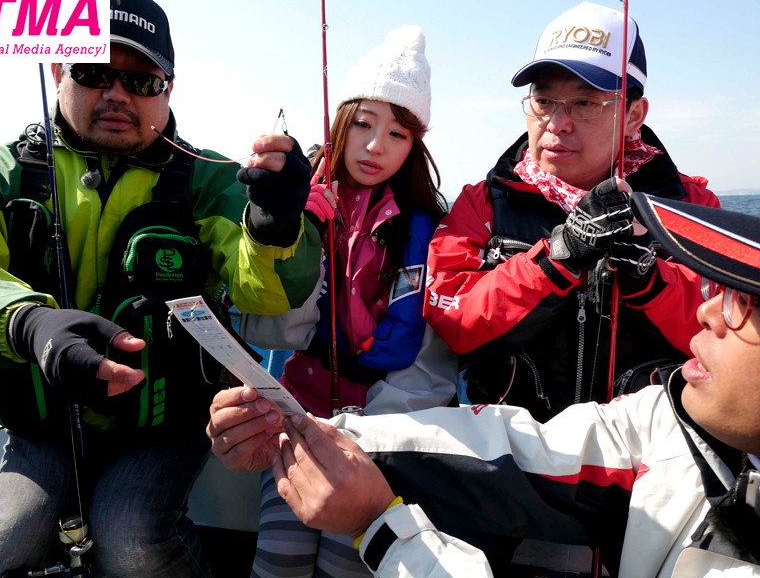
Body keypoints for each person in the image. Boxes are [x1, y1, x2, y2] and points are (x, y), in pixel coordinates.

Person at [0, 0, 320, 577]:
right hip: (46, 422)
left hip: (165, 422)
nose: (118, 93)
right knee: (6, 543)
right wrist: (26, 324)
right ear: (57, 70)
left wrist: (276, 228)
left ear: (168, 89)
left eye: (143, 80)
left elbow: (267, 291)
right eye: (95, 72)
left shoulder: (211, 181)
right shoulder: (0, 174)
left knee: (132, 540)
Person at [208, 192, 760, 576]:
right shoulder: (676, 429)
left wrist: (379, 524)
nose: (708, 310)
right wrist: (308, 428)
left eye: (744, 299)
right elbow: (514, 439)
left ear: (633, 111)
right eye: (545, 99)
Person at [424, 1, 720, 422]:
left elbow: (728, 332)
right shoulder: (482, 203)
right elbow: (452, 322)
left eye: (585, 103)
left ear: (634, 114)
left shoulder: (692, 208)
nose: (557, 122)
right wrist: (555, 258)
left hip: (648, 457)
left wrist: (651, 280)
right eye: (544, 101)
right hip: (514, 454)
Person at [239, 24, 457, 577]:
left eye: (399, 134)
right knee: (278, 559)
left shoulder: (430, 235)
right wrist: (279, 235)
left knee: (347, 563)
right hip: (294, 422)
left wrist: (362, 440)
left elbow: (429, 370)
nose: (376, 146)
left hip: (378, 442)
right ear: (340, 123)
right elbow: (268, 333)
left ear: (415, 146)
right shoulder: (300, 208)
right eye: (362, 123)